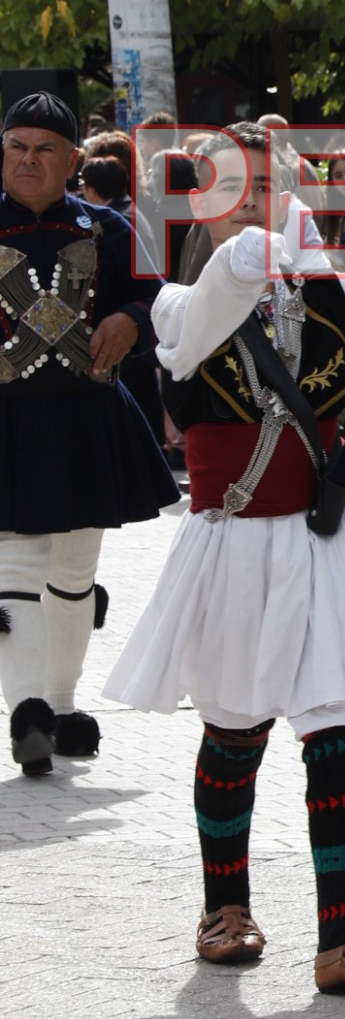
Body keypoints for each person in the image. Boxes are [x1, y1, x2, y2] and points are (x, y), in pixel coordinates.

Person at [103, 124, 345, 992]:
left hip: (325, 544)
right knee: (234, 730)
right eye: (251, 188)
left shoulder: (342, 297)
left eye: (283, 186)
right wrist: (258, 247)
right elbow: (216, 303)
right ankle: (223, 908)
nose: (275, 203)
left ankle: (338, 942)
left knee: (341, 727)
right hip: (234, 548)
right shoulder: (173, 304)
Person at [0, 92, 179, 774]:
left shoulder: (107, 228)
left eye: (44, 149)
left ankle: (62, 702)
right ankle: (27, 714)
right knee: (14, 567)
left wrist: (132, 320)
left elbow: (156, 298)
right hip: (6, 418)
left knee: (74, 570)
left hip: (84, 415)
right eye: (16, 146)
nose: (27, 161)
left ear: (73, 160)